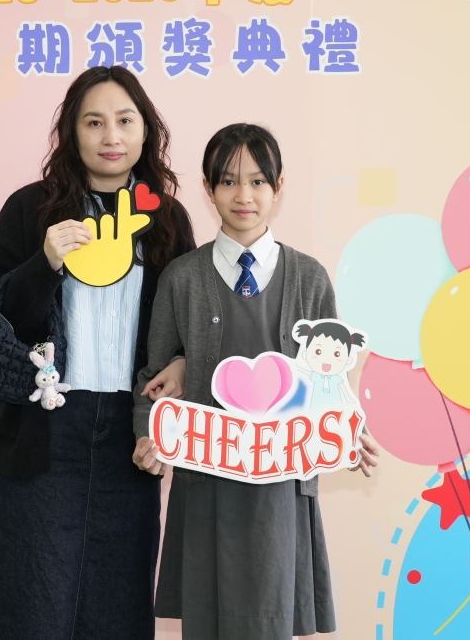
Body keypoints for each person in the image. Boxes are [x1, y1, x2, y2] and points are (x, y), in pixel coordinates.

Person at [0, 66, 196, 640]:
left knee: (119, 609)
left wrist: (181, 366)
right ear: (72, 132)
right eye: (94, 122)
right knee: (33, 610)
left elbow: (189, 329)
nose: (110, 136)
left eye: (125, 121)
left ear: (146, 131)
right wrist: (44, 262)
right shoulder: (31, 209)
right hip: (45, 433)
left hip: (130, 437)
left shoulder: (167, 220)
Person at [132, 123, 382, 640]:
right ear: (208, 188)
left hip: (281, 485)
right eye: (228, 181)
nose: (243, 195)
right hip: (205, 480)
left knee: (272, 617)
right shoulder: (181, 278)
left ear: (278, 186)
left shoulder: (309, 278)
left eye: (258, 181)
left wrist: (345, 431)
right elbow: (153, 378)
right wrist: (147, 434)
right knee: (208, 621)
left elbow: (329, 377)